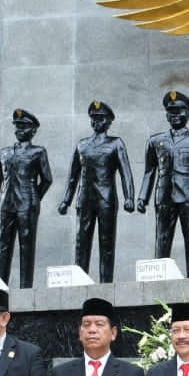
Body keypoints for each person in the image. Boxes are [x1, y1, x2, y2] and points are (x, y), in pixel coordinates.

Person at [139, 91, 189, 278]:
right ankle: (158, 278)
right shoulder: (156, 141)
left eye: (180, 111)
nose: (175, 115)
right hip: (164, 195)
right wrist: (142, 197)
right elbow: (149, 171)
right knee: (162, 238)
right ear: (166, 115)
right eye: (171, 112)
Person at [58, 100, 135, 283]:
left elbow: (126, 173)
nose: (97, 122)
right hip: (85, 199)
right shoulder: (82, 145)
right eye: (94, 118)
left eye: (101, 118)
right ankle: (79, 282)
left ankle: (106, 284)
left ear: (108, 121)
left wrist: (129, 197)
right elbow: (72, 177)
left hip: (106, 199)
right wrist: (66, 201)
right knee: (81, 243)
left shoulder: (116, 143)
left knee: (106, 244)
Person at [0, 108, 53, 289]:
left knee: (26, 247)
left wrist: (34, 198)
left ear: (33, 131)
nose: (20, 130)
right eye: (18, 126)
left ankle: (26, 288)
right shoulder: (4, 153)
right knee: (3, 246)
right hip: (6, 204)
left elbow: (47, 179)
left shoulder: (38, 152)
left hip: (27, 205)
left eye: (24, 127)